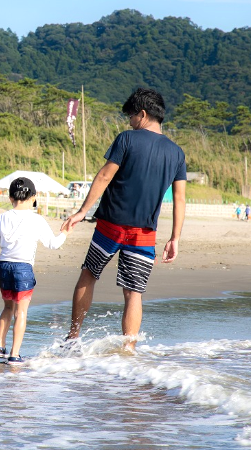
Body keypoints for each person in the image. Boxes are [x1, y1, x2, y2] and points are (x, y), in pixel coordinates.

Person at [60, 88, 186, 352]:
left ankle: (72, 338)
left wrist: (82, 211)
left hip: (111, 225)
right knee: (133, 292)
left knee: (89, 275)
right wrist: (175, 238)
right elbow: (179, 199)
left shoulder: (127, 139)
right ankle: (129, 349)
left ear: (142, 113)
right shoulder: (176, 153)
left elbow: (105, 176)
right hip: (145, 233)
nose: (128, 121)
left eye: (131, 115)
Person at [0, 177, 68, 366]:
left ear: (10, 198)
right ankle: (14, 355)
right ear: (33, 197)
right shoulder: (37, 219)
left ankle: (0, 346)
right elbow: (53, 244)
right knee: (21, 313)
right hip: (23, 268)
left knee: (8, 307)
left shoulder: (2, 217)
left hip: (4, 267)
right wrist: (65, 232)